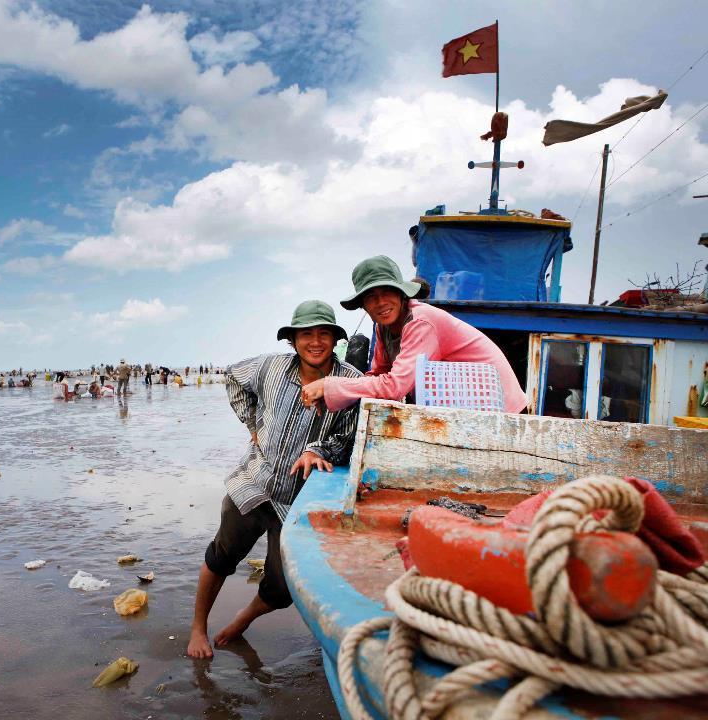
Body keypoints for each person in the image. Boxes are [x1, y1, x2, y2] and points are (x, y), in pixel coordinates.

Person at [186, 300, 363, 659]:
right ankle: (197, 628)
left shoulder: (351, 383)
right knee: (221, 556)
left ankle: (242, 620)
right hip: (255, 483)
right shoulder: (271, 366)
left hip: (299, 501)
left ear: (335, 338)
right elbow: (233, 377)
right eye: (306, 335)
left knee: (283, 588)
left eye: (323, 334)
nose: (315, 342)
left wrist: (318, 450)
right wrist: (253, 425)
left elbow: (351, 436)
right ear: (293, 340)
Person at [300, 255, 527, 414]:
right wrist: (332, 393)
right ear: (363, 305)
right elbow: (378, 375)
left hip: (500, 410)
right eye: (370, 296)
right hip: (464, 409)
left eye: (387, 291)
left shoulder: (421, 322)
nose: (381, 303)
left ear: (401, 294)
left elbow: (395, 386)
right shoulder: (384, 328)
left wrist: (329, 384)